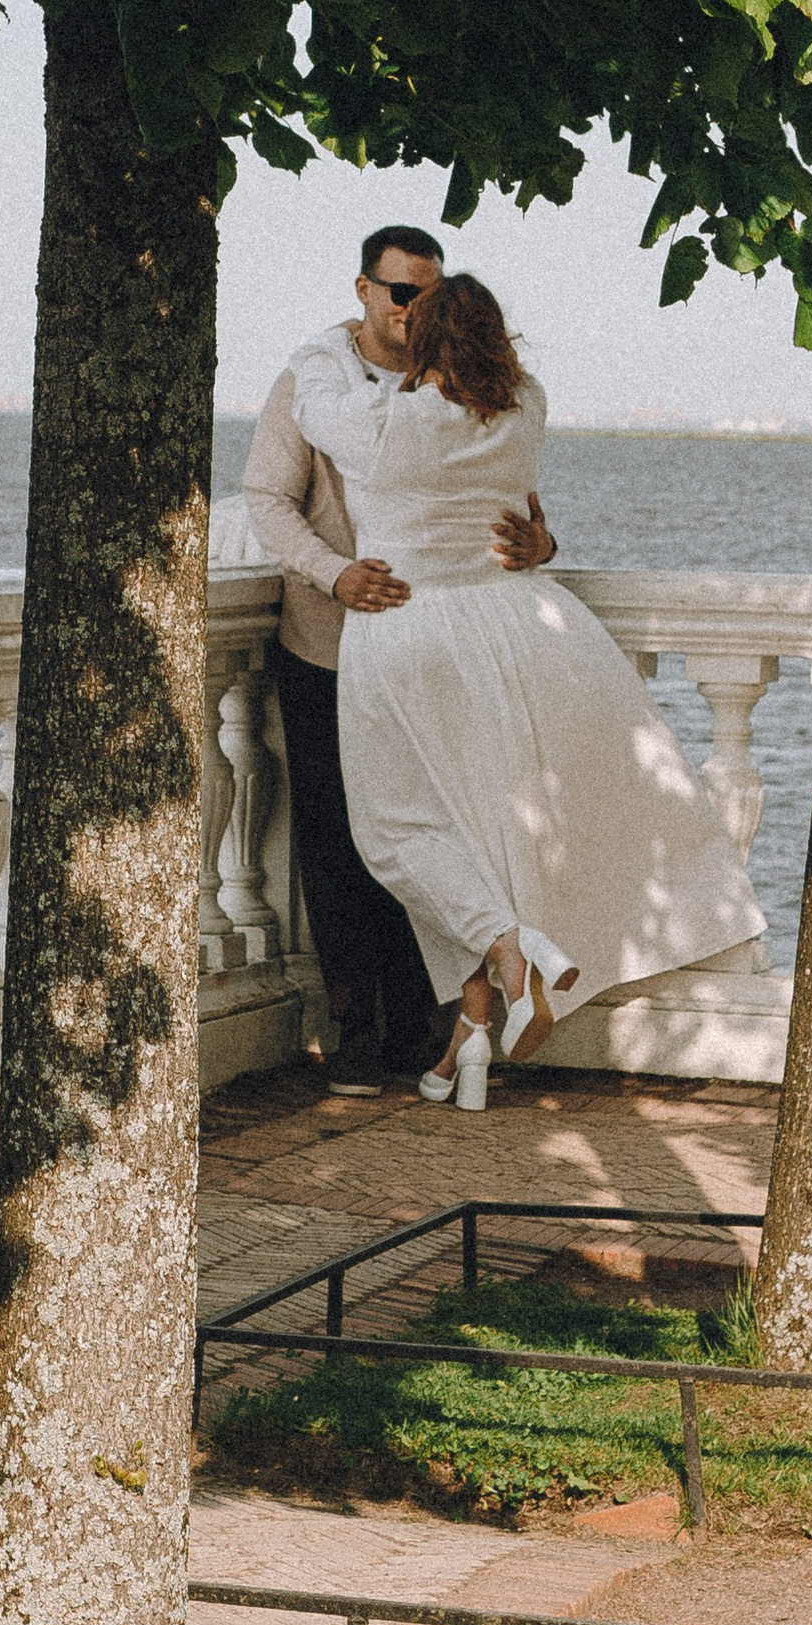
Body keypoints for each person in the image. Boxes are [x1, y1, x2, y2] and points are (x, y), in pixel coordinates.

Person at [288, 270, 763, 1107]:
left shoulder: (390, 424)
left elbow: (312, 402)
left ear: (426, 339)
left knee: (397, 831)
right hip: (514, 623)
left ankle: (509, 950)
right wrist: (539, 541)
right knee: (482, 828)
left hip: (408, 629)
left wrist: (337, 335)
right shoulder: (526, 407)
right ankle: (469, 1036)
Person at [243, 225, 557, 1081]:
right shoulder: (320, 385)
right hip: (329, 641)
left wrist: (540, 544)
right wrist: (334, 575)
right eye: (398, 292)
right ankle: (362, 1026)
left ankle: (444, 1020)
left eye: (429, 293)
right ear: (364, 290)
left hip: (418, 643)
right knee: (342, 846)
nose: (411, 308)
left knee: (431, 829)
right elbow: (268, 503)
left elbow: (513, 510)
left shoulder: (421, 401)